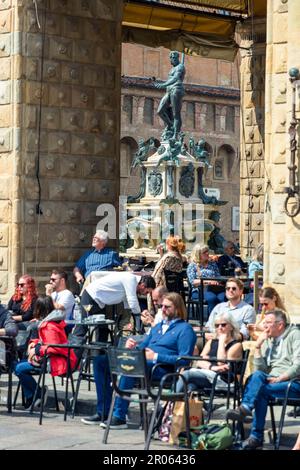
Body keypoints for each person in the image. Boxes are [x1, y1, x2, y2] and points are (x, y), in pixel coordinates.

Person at [81, 292, 196, 425]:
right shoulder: (158, 327)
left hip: (163, 369)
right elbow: (143, 346)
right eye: (161, 306)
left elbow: (184, 359)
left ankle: (119, 415)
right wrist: (133, 347)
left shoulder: (185, 329)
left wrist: (156, 356)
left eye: (167, 307)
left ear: (177, 308)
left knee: (131, 366)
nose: (163, 310)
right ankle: (103, 412)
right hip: (143, 363)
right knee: (101, 362)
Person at [226, 309, 300, 450]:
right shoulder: (268, 339)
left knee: (261, 390)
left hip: (293, 382)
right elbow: (261, 370)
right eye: (264, 322)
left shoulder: (295, 335)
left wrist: (280, 378)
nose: (264, 326)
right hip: (272, 381)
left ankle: (255, 434)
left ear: (280, 325)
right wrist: (258, 346)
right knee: (257, 377)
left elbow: (298, 364)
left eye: (268, 323)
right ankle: (248, 412)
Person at [14, 296, 77, 410]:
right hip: (54, 359)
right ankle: (34, 395)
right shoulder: (51, 322)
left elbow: (54, 347)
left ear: (39, 309)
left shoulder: (49, 326)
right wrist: (34, 343)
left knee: (18, 368)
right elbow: (46, 342)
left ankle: (37, 394)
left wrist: (37, 350)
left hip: (57, 361)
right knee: (18, 365)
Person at [176, 311, 243, 393]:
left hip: (224, 380)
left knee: (186, 375)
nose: (220, 328)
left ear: (232, 327)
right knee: (190, 385)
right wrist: (213, 367)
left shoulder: (236, 345)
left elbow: (221, 363)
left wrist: (221, 342)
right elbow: (199, 362)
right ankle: (176, 403)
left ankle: (170, 401)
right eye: (217, 326)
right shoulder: (211, 342)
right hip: (208, 374)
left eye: (223, 325)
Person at [80, 273, 156, 336]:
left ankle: (100, 354)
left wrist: (136, 321)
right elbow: (132, 302)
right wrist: (139, 316)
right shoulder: (131, 279)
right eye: (146, 292)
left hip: (100, 303)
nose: (145, 294)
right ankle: (73, 353)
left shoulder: (131, 284)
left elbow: (128, 306)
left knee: (103, 331)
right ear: (143, 286)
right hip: (90, 297)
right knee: (82, 327)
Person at [155, 51, 185, 140]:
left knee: (176, 114)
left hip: (176, 90)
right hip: (168, 91)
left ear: (176, 58)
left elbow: (176, 78)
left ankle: (175, 135)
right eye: (171, 58)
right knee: (160, 111)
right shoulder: (172, 68)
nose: (171, 60)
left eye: (173, 58)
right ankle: (171, 125)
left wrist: (163, 85)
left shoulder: (180, 67)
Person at [187, 244, 225, 315]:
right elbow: (193, 281)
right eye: (204, 252)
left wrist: (217, 281)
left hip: (215, 288)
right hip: (199, 290)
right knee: (212, 298)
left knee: (223, 297)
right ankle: (212, 321)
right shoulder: (193, 265)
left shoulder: (212, 264)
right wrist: (209, 282)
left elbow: (218, 276)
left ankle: (223, 320)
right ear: (198, 254)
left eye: (207, 251)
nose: (207, 253)